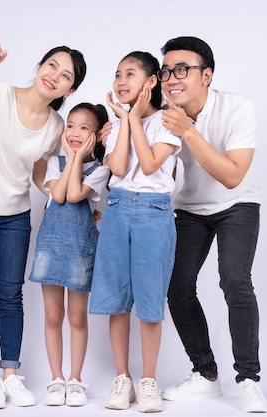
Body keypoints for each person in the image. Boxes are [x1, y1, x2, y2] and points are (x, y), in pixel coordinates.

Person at [0, 27, 86, 409]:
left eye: (66, 75)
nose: (54, 74)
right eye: (51, 64)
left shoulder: (57, 127)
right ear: (40, 66)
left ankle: (11, 374)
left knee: (10, 295)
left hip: (14, 215)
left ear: (68, 91)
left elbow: (42, 170)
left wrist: (54, 194)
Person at [157, 36, 267, 413]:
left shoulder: (238, 108)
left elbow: (233, 176)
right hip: (190, 207)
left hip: (237, 204)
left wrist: (188, 130)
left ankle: (249, 379)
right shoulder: (163, 113)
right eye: (167, 70)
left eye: (182, 69)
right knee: (177, 286)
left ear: (206, 75)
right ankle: (205, 374)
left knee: (235, 281)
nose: (172, 78)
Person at [88, 51, 181, 413]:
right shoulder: (118, 125)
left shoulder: (170, 120)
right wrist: (125, 120)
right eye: (117, 75)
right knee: (116, 298)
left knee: (150, 299)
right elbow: (119, 167)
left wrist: (133, 119)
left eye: (130, 74)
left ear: (152, 81)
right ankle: (122, 377)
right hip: (117, 208)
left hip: (155, 212)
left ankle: (149, 380)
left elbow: (149, 163)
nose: (121, 81)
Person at [28, 103, 111, 407]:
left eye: (84, 128)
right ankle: (56, 379)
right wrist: (70, 158)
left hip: (79, 249)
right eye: (71, 125)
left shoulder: (101, 171)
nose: (75, 133)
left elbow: (74, 194)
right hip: (50, 245)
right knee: (53, 315)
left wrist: (76, 159)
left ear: (96, 137)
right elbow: (59, 194)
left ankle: (75, 379)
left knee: (76, 316)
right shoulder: (53, 162)